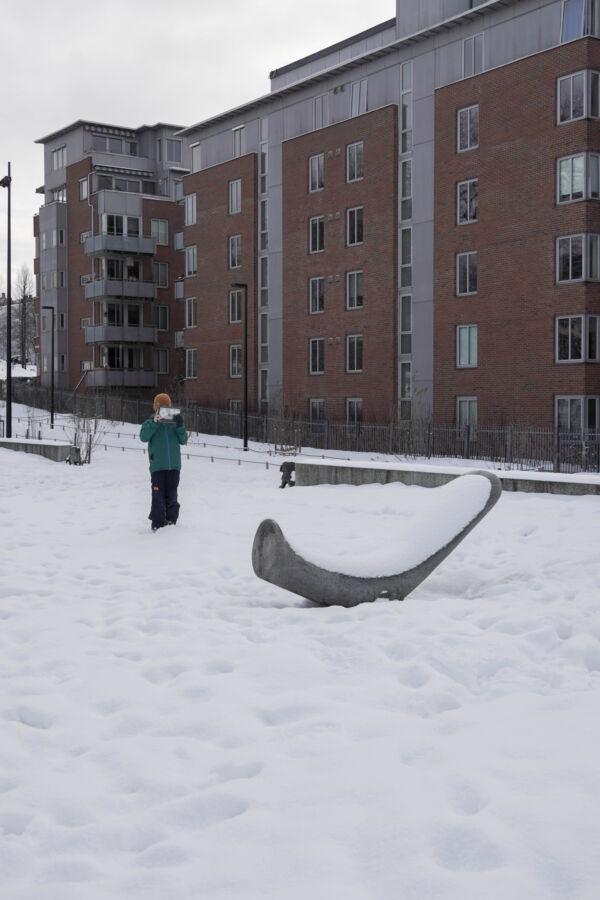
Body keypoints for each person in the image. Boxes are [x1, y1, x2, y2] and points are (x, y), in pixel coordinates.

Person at [140, 393, 188, 531]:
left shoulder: (174, 423)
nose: (164, 411)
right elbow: (143, 437)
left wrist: (180, 426)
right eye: (161, 408)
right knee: (158, 496)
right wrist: (154, 422)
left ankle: (172, 522)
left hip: (174, 467)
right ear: (156, 408)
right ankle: (157, 523)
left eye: (167, 407)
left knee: (172, 495)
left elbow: (184, 440)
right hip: (158, 467)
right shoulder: (150, 422)